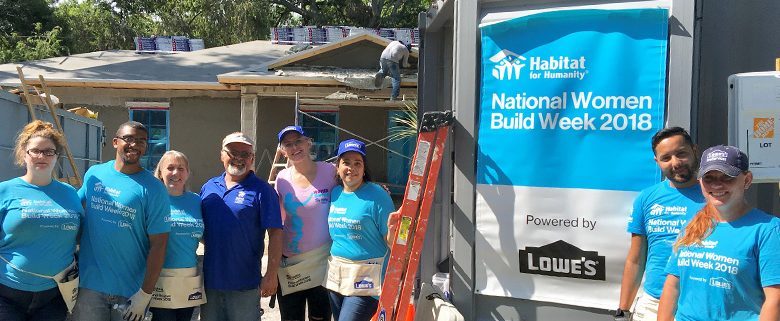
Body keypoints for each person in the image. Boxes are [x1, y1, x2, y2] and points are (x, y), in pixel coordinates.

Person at [658, 145, 780, 321]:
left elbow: (775, 299)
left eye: (727, 177)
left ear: (747, 180)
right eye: (708, 178)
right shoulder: (692, 225)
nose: (716, 184)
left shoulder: (768, 229)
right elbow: (672, 286)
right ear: (700, 181)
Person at [72, 121, 171, 321]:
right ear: (115, 142)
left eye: (141, 141)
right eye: (129, 138)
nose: (135, 144)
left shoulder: (154, 188)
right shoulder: (94, 175)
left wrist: (145, 294)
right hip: (90, 287)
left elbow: (159, 244)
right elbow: (74, 211)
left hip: (130, 291)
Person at [616, 127, 705, 321]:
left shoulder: (714, 197)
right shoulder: (646, 198)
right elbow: (636, 259)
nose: (676, 163)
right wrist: (623, 311)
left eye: (681, 153)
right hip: (652, 304)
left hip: (698, 305)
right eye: (666, 158)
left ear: (694, 151)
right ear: (657, 162)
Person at [0, 120, 81, 320]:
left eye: (49, 151)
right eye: (35, 151)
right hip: (8, 293)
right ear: (24, 154)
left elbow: (81, 239)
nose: (41, 156)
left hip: (53, 296)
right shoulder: (5, 191)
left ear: (57, 156)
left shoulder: (71, 194)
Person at [199, 132, 283, 321]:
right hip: (210, 282)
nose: (238, 158)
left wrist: (271, 274)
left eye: (245, 154)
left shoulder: (263, 191)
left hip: (244, 283)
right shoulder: (208, 187)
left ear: (252, 159)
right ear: (222, 155)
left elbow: (276, 234)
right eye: (232, 152)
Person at [325, 139, 397, 321]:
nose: (352, 168)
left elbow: (391, 239)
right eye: (346, 163)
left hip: (366, 278)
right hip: (337, 275)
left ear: (364, 168)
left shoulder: (377, 195)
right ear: (337, 167)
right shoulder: (335, 194)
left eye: (358, 163)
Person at [274, 126, 336, 321]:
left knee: (321, 318)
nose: (294, 147)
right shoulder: (282, 179)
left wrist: (376, 190)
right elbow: (278, 223)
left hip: (322, 263)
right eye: (288, 144)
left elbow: (352, 190)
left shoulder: (330, 172)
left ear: (308, 142)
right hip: (292, 264)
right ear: (283, 151)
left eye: (298, 141)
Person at [149, 151, 205, 321]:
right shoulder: (152, 199)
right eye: (170, 168)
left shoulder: (197, 201)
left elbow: (206, 235)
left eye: (181, 168)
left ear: (187, 173)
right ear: (160, 172)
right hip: (159, 279)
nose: (175, 173)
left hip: (189, 280)